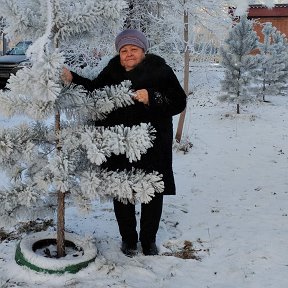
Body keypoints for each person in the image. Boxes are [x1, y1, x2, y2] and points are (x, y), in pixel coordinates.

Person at [62, 29, 187, 256]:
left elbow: (179, 101)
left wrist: (152, 96)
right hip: (118, 143)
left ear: (143, 51)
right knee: (123, 191)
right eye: (124, 50)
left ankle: (148, 240)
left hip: (153, 143)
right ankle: (128, 239)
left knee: (151, 192)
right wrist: (73, 79)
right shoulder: (112, 71)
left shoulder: (160, 70)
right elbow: (94, 93)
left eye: (134, 49)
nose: (129, 54)